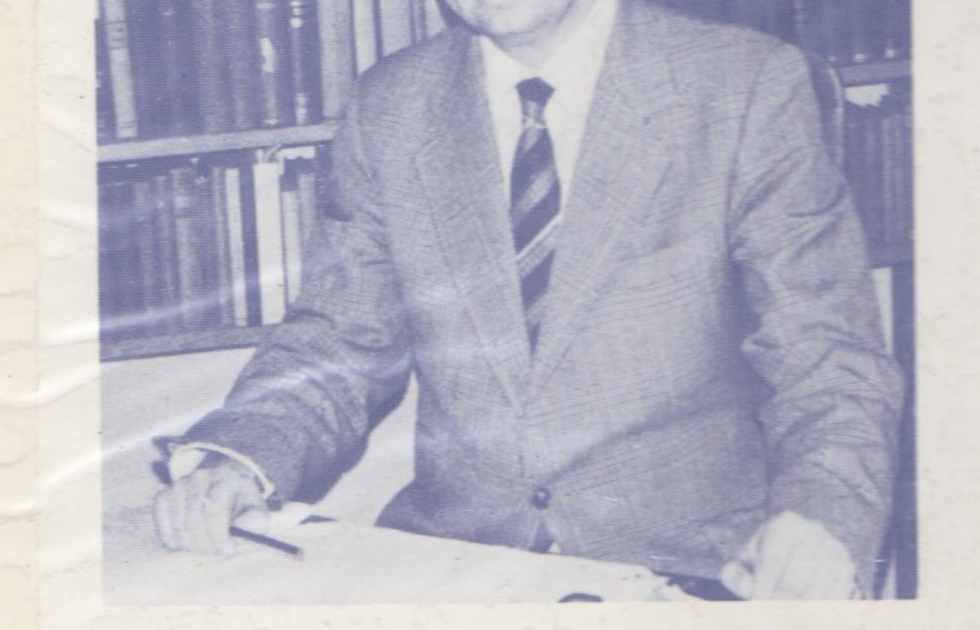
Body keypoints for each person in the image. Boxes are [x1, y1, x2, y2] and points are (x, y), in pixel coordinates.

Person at [152, 0, 904, 600]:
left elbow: (825, 355)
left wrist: (821, 516)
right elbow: (341, 338)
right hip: (458, 567)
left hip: (692, 569)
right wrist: (239, 458)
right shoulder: (392, 104)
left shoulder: (743, 85)